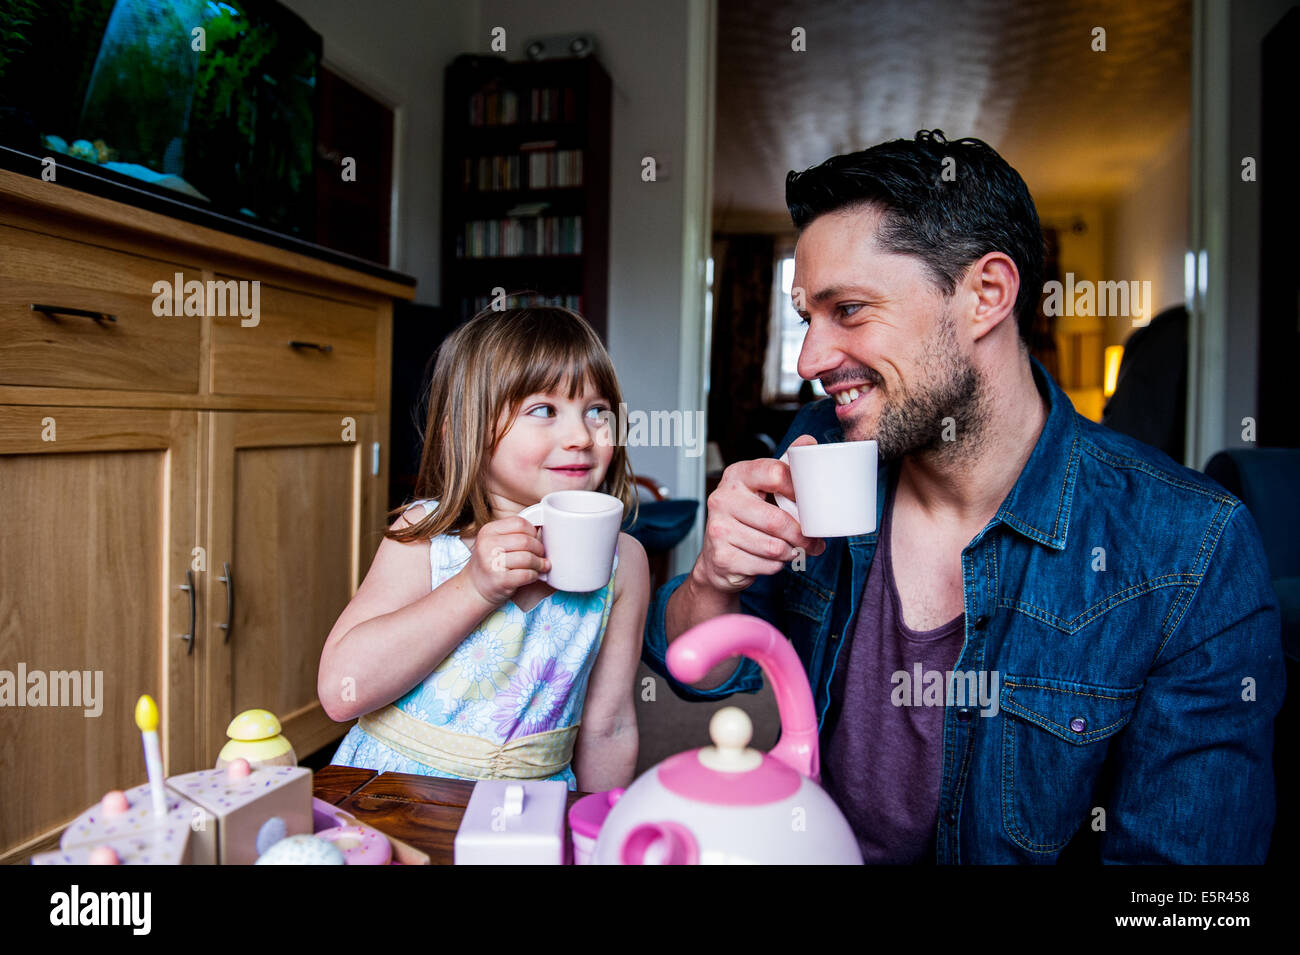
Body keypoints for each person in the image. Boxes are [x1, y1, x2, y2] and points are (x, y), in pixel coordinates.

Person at [644, 130, 1285, 863]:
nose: (810, 360)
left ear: (986, 294)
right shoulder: (830, 446)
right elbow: (691, 666)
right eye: (806, 319)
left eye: (848, 309)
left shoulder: (1189, 550)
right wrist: (712, 578)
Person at [320, 307, 649, 793]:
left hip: (533, 805)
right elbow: (340, 692)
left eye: (597, 411)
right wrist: (474, 587)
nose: (582, 437)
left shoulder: (624, 564)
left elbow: (610, 725)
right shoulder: (428, 534)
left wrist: (599, 829)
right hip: (394, 792)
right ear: (466, 428)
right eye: (545, 410)